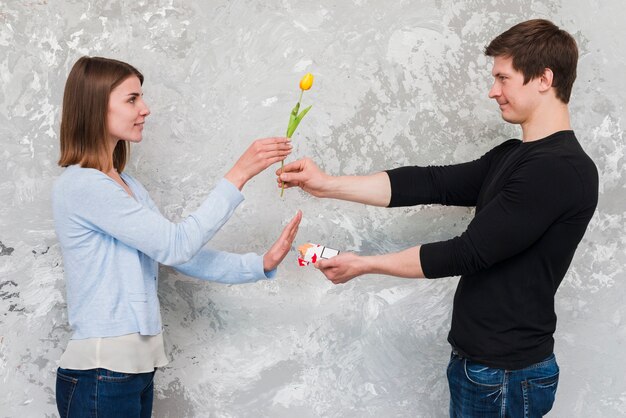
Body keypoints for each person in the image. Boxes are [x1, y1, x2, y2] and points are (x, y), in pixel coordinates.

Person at [277, 19, 598, 417]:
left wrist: (364, 263)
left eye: (503, 77)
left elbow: (469, 252)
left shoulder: (558, 169)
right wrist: (326, 185)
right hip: (484, 367)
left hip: (505, 375)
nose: (492, 90)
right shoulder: (514, 156)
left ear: (544, 78)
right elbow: (431, 183)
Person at [52, 56, 301, 418]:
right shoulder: (82, 185)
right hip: (100, 376)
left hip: (131, 373)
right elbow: (176, 243)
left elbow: (178, 253)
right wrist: (239, 173)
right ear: (95, 106)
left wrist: (259, 264)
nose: (145, 109)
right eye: (132, 99)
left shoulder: (126, 186)